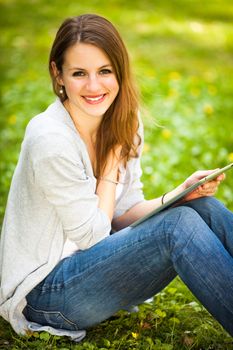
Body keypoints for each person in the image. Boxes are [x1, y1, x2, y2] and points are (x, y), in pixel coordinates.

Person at [0, 13, 233, 342]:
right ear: (58, 74)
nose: (94, 86)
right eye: (79, 73)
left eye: (104, 71)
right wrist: (110, 164)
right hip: (45, 293)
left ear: (119, 71)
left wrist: (178, 195)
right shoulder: (50, 139)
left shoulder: (123, 118)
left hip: (93, 266)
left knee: (201, 209)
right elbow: (94, 238)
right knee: (177, 226)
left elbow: (123, 214)